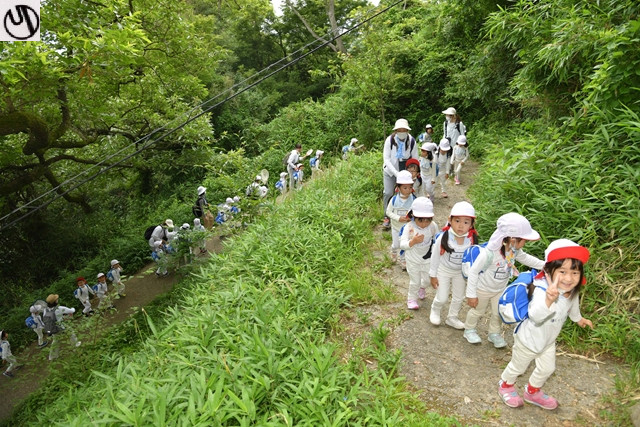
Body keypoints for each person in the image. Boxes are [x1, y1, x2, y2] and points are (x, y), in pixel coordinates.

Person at [498, 239, 592, 410]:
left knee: (547, 368)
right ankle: (505, 385)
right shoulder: (542, 290)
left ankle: (532, 391)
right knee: (518, 367)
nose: (569, 278)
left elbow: (573, 305)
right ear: (549, 271)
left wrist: (578, 319)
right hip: (528, 341)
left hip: (548, 341)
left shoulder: (571, 291)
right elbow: (535, 316)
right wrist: (549, 300)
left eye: (575, 272)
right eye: (562, 271)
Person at [464, 213, 545, 347]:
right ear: (513, 239)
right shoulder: (490, 253)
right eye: (524, 240)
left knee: (498, 313)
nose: (525, 243)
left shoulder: (514, 251)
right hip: (483, 289)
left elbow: (527, 259)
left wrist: (545, 265)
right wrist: (471, 294)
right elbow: (473, 271)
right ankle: (469, 329)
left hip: (500, 289)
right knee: (478, 310)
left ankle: (494, 333)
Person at [429, 201, 479, 329]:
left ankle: (452, 317)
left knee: (459, 297)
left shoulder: (471, 239)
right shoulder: (443, 237)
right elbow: (435, 257)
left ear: (471, 224)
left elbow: (473, 258)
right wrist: (433, 275)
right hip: (444, 270)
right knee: (442, 297)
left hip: (460, 273)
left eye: (466, 222)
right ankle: (435, 309)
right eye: (457, 221)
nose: (461, 225)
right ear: (450, 220)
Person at [399, 197, 438, 309]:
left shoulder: (432, 226)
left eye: (428, 220)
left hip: (427, 259)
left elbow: (437, 239)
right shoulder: (409, 227)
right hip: (413, 260)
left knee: (427, 280)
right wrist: (413, 242)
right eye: (421, 220)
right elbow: (402, 245)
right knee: (415, 281)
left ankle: (422, 288)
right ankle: (411, 299)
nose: (424, 223)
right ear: (413, 216)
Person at [382, 118, 418, 228]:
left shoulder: (411, 141)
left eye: (404, 130)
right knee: (388, 193)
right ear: (396, 131)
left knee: (407, 193)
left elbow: (415, 159)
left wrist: (413, 174)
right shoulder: (390, 140)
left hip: (406, 173)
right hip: (390, 171)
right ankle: (387, 216)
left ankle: (408, 215)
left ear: (407, 131)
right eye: (399, 130)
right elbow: (386, 159)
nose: (402, 132)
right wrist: (396, 174)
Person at [385, 170, 416, 270]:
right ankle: (394, 251)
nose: (408, 190)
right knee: (396, 244)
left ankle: (403, 260)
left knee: (404, 245)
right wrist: (398, 218)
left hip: (407, 228)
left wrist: (411, 218)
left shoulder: (413, 199)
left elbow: (416, 212)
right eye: (405, 188)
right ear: (398, 188)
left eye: (410, 187)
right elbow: (388, 212)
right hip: (396, 227)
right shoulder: (394, 200)